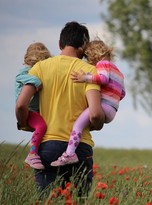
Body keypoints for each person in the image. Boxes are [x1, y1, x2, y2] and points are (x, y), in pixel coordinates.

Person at [15, 21, 105, 197]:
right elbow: (95, 114)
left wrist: (25, 123)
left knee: (48, 200)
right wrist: (99, 123)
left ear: (59, 44)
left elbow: (20, 105)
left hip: (47, 146)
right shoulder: (89, 71)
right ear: (84, 47)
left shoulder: (40, 67)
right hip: (80, 148)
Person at [51, 39, 126, 166]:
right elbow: (122, 93)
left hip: (103, 106)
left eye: (87, 57)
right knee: (84, 124)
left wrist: (84, 78)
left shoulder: (103, 64)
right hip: (112, 110)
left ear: (93, 55)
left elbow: (102, 79)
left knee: (78, 125)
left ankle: (69, 154)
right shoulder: (118, 72)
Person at [15, 42, 51, 170]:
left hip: (35, 109)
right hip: (29, 110)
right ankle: (32, 153)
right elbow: (20, 78)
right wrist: (37, 81)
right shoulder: (26, 71)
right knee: (41, 126)